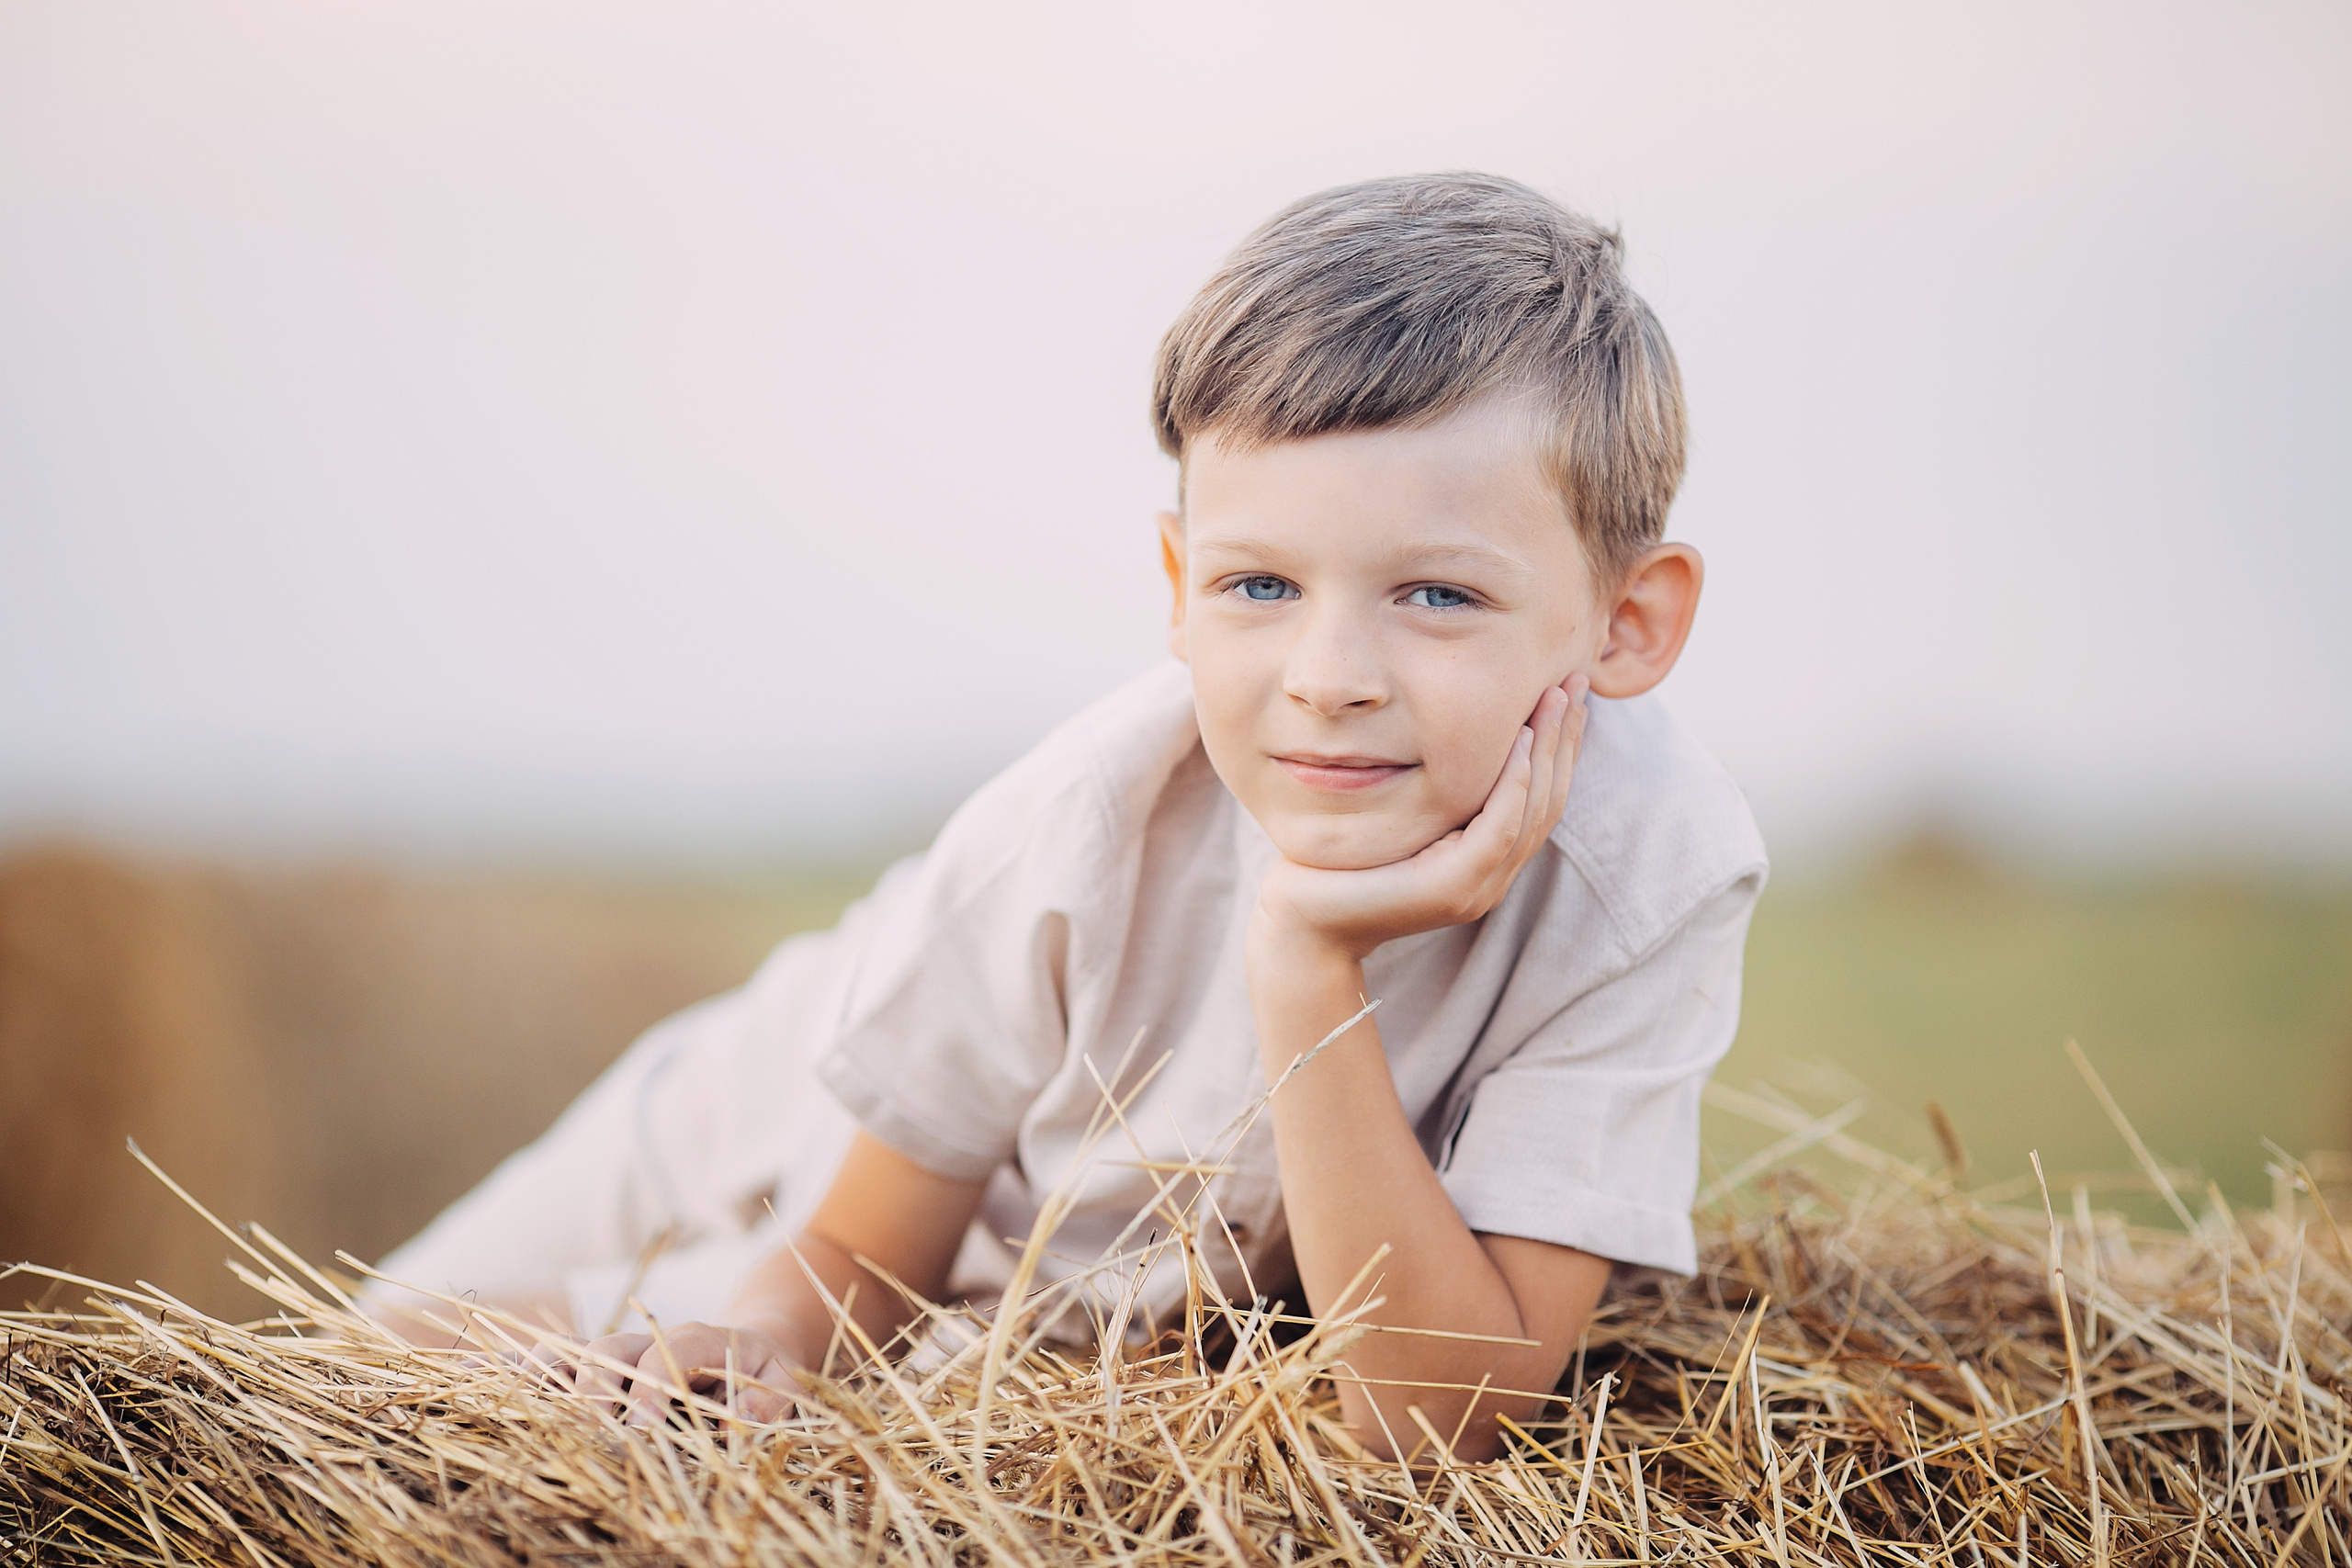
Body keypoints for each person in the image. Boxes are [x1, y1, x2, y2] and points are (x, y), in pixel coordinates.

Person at [364, 171, 1766, 1462]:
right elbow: (857, 1248)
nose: (1329, 680)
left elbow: (1430, 1419)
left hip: (1012, 1281)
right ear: (1175, 582)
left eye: (1437, 595)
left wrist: (1304, 961)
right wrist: (768, 1341)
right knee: (373, 1363)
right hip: (787, 1120)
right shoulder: (1085, 819)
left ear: (1627, 625)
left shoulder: (1651, 877)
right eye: (1259, 586)